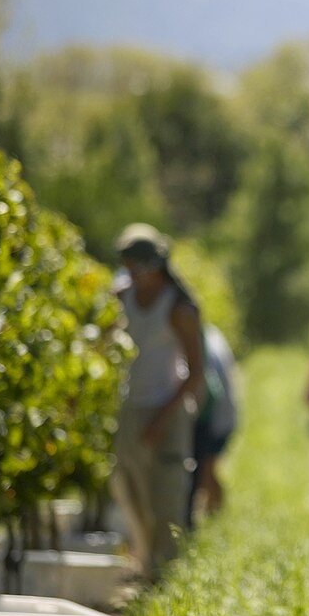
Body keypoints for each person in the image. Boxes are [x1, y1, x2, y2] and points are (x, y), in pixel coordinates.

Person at [110, 223, 204, 581]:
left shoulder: (178, 307)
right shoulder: (122, 297)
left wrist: (161, 420)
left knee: (165, 495)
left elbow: (194, 372)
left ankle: (164, 578)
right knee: (129, 487)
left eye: (138, 268)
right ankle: (145, 561)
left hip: (169, 410)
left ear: (155, 266)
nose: (134, 275)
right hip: (132, 405)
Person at [189, 323, 238, 525]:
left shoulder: (200, 343)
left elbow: (210, 390)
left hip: (213, 416)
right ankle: (214, 517)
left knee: (205, 469)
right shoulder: (211, 335)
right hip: (220, 414)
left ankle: (215, 518)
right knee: (208, 469)